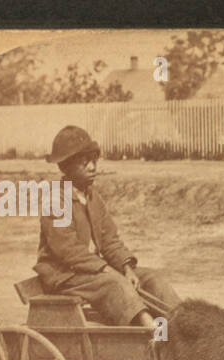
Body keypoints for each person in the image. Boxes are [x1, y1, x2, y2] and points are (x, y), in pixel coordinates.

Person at [34, 125, 181, 328]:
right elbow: (68, 251)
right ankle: (152, 330)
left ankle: (182, 325)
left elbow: (110, 240)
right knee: (115, 284)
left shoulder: (93, 198)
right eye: (84, 163)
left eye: (93, 161)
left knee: (150, 278)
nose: (92, 167)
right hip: (65, 276)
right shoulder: (56, 201)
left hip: (92, 271)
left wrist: (126, 267)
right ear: (65, 167)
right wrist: (107, 269)